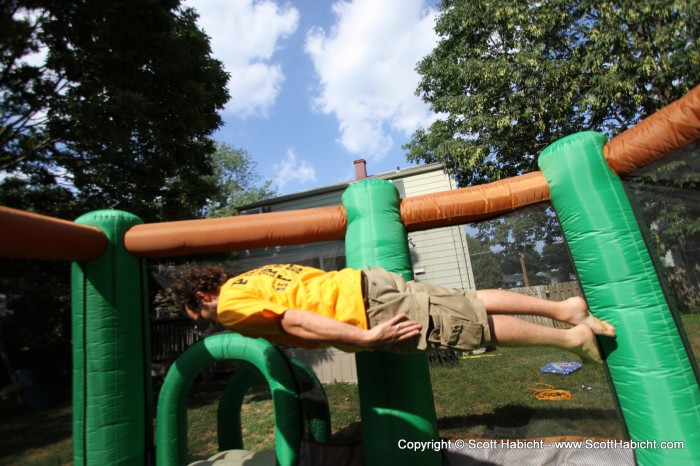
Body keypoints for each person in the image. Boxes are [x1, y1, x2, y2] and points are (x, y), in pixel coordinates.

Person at [172, 263, 616, 362]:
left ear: (201, 298)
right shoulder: (253, 276)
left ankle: (570, 337)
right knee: (468, 301)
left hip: (368, 309)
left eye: (196, 315)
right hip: (368, 283)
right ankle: (564, 308)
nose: (202, 322)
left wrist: (364, 338)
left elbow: (294, 320)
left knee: (468, 326)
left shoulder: (229, 307)